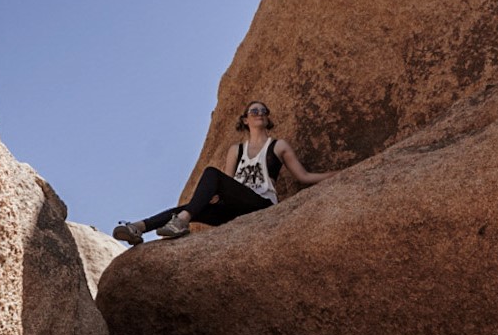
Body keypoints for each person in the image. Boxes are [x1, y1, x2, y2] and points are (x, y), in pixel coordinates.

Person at [113, 100, 336, 244]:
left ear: (267, 118)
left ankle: (181, 221)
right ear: (245, 120)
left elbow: (303, 177)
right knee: (192, 207)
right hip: (233, 210)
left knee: (209, 176)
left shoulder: (278, 146)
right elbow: (226, 182)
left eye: (263, 111)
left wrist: (337, 175)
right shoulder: (236, 150)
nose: (259, 113)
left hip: (261, 205)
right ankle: (138, 228)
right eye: (254, 111)